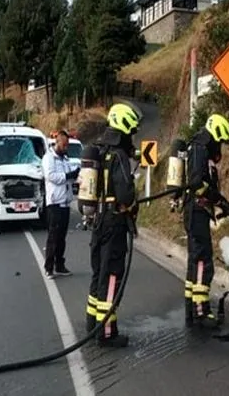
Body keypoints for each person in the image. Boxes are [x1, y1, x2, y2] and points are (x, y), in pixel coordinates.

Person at [85, 103, 140, 348]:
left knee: (99, 273)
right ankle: (106, 332)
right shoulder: (118, 155)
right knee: (112, 276)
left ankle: (92, 325)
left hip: (98, 221)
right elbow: (126, 194)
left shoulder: (99, 150)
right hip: (114, 223)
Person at [183, 113, 229, 329]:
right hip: (197, 209)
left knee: (196, 259)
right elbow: (197, 182)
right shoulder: (200, 149)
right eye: (220, 142)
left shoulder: (199, 148)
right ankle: (201, 311)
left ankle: (192, 308)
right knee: (203, 259)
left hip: (197, 209)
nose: (219, 147)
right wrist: (216, 197)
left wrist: (219, 201)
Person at [42, 130, 79, 279]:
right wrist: (67, 176)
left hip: (65, 203)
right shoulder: (49, 158)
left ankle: (60, 265)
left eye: (67, 146)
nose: (66, 148)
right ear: (57, 143)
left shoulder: (65, 159)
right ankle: (49, 267)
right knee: (53, 236)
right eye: (64, 145)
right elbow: (51, 176)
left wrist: (75, 174)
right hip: (54, 203)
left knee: (62, 237)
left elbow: (70, 176)